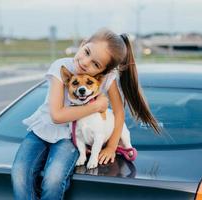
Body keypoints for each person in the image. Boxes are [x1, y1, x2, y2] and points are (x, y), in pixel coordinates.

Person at [11, 28, 160, 200]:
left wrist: (112, 147)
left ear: (103, 72)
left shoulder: (106, 80)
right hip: (42, 129)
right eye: (87, 52)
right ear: (82, 44)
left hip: (71, 136)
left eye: (95, 64)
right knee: (20, 174)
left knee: (54, 179)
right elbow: (57, 116)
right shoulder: (61, 67)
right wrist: (96, 106)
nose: (85, 62)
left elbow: (119, 113)